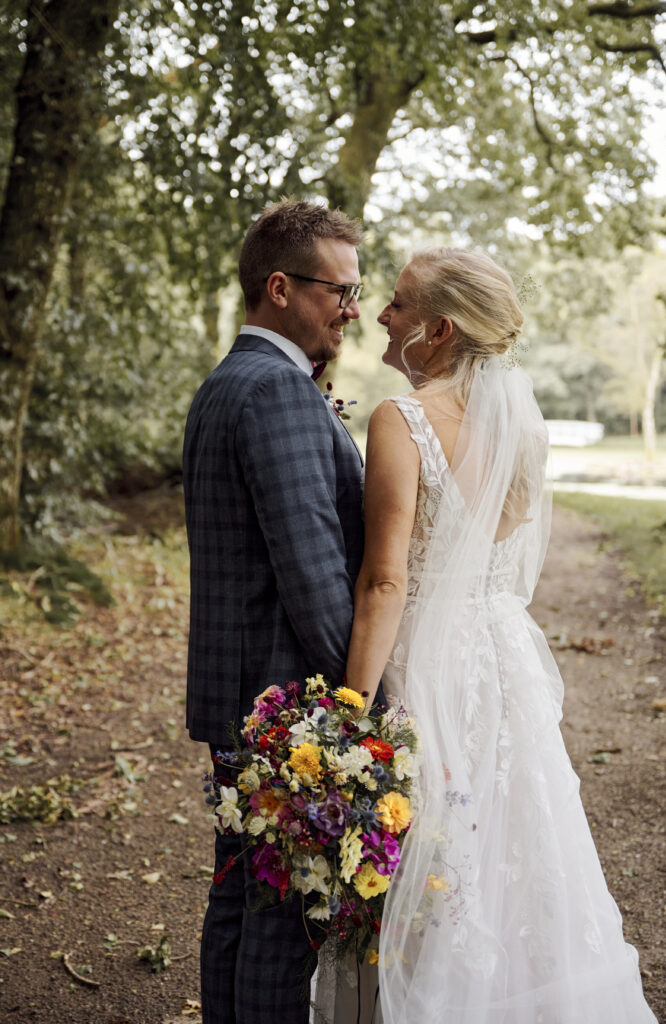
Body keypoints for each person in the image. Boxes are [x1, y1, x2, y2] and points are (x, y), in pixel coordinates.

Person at [342, 248, 657, 1022]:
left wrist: (347, 712)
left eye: (398, 303)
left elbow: (385, 581)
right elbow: (498, 539)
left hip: (428, 663)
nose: (380, 314)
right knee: (516, 843)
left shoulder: (400, 419)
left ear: (439, 330)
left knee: (434, 847)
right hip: (500, 654)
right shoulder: (519, 426)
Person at [182, 199, 365, 1024]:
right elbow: (314, 572)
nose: (351, 309)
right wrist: (358, 704)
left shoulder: (227, 383)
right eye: (339, 290)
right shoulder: (277, 391)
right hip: (284, 703)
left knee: (239, 893)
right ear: (281, 287)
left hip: (237, 691)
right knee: (283, 916)